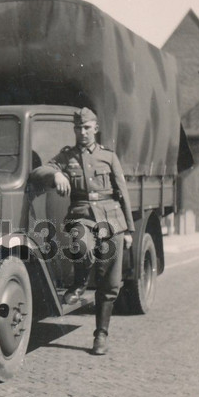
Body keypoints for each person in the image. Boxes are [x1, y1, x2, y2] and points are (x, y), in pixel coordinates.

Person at [40, 107, 135, 355]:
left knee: (110, 282)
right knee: (81, 245)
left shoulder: (108, 157)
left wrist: (128, 230)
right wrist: (57, 173)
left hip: (112, 219)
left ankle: (100, 335)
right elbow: (40, 170)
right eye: (78, 128)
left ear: (95, 129)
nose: (82, 132)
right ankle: (79, 283)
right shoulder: (66, 156)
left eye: (86, 128)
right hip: (82, 216)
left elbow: (122, 192)